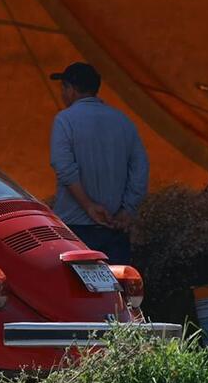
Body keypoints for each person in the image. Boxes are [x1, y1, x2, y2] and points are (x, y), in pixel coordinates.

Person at [49, 62, 149, 264]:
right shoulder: (123, 121)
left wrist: (88, 206)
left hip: (75, 228)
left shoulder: (64, 120)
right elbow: (140, 169)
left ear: (71, 89)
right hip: (115, 228)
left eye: (64, 88)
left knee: (79, 292)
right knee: (117, 291)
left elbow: (64, 168)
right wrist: (127, 210)